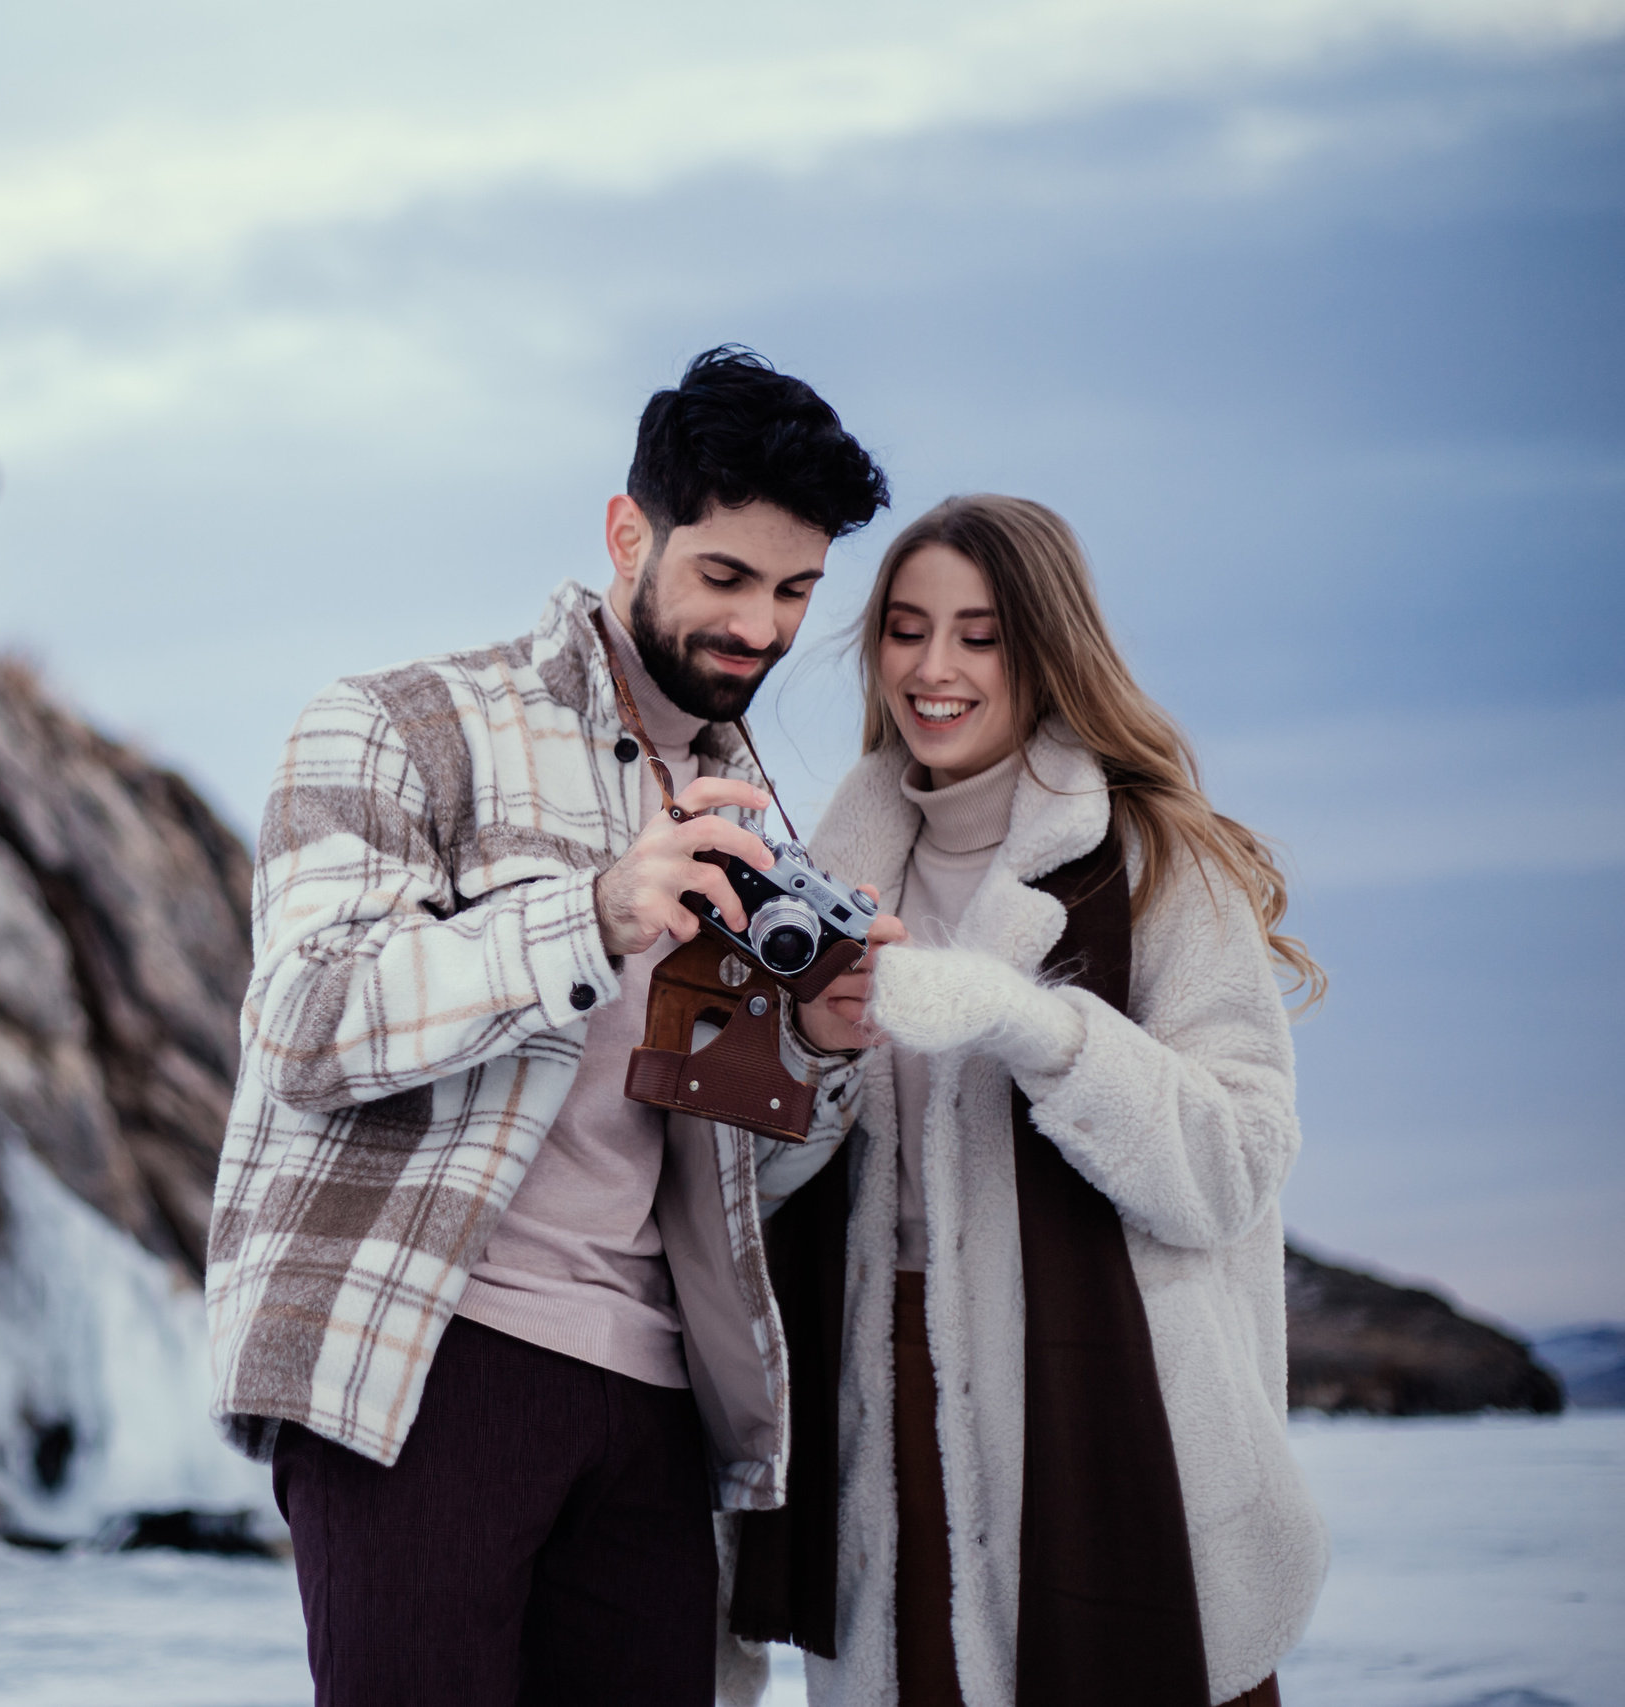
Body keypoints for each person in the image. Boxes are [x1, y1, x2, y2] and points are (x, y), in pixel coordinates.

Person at [205, 346, 897, 1705]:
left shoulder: (751, 817)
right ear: (626, 532)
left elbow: (732, 1176)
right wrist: (589, 914)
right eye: (726, 576)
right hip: (425, 1359)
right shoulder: (403, 725)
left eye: (797, 590)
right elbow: (305, 1020)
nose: (761, 625)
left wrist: (818, 1049)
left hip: (650, 1396)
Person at [772, 494, 1329, 1707]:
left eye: (980, 634)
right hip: (888, 1419)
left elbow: (1236, 1160)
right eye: (905, 628)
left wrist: (1033, 1026)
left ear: (1046, 645)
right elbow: (748, 1183)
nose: (933, 668)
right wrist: (812, 1057)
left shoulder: (1158, 859)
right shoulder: (827, 875)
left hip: (1112, 1431)